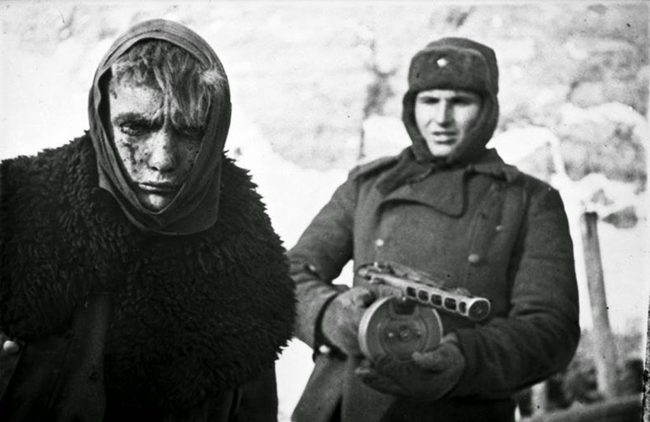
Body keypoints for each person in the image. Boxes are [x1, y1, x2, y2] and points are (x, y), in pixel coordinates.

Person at [0, 19, 295, 421]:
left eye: (191, 132)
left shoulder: (248, 268)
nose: (162, 160)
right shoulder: (14, 214)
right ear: (102, 122)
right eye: (136, 128)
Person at [289, 37, 580, 422]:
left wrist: (463, 358)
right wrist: (332, 316)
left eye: (460, 101)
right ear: (412, 108)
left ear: (487, 108)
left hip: (457, 409)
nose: (441, 118)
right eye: (429, 100)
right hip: (346, 402)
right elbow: (288, 275)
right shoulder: (369, 185)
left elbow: (550, 328)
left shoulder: (528, 200)